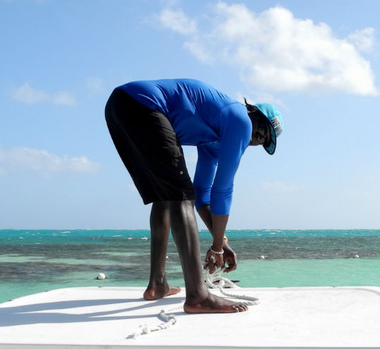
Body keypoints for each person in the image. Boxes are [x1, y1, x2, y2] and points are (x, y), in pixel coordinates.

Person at [105, 78, 284, 314]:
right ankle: (198, 296)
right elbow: (223, 189)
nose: (256, 140)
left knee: (166, 196)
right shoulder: (240, 120)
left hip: (121, 105)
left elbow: (203, 192)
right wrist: (217, 248)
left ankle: (157, 284)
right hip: (144, 104)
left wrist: (221, 241)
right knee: (181, 197)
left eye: (263, 141)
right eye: (261, 131)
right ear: (253, 113)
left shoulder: (212, 137)